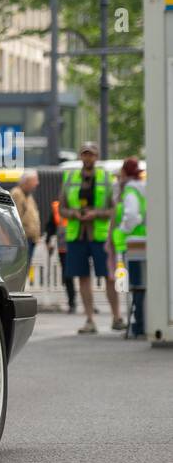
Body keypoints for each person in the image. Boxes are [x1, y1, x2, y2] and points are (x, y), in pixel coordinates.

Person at [61, 141, 124, 334]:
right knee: (83, 278)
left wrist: (96, 213)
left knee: (109, 277)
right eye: (85, 154)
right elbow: (61, 208)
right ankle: (89, 320)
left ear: (96, 157)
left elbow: (115, 209)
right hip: (77, 235)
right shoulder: (70, 177)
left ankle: (117, 317)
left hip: (99, 235)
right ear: (81, 156)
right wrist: (74, 214)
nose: (88, 157)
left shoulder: (106, 178)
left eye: (91, 154)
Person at [110, 157, 147, 339]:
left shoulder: (131, 191)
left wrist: (123, 228)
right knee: (141, 284)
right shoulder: (143, 188)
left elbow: (131, 216)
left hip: (132, 244)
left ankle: (139, 325)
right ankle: (141, 323)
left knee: (136, 286)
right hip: (141, 243)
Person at [46, 198, 76, 313]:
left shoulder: (82, 203)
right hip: (64, 248)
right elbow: (50, 226)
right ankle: (71, 302)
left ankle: (88, 303)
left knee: (85, 275)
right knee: (67, 275)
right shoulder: (57, 207)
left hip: (80, 243)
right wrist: (49, 240)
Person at [10, 169, 41, 270]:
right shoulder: (17, 194)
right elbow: (15, 218)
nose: (37, 184)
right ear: (26, 182)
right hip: (23, 240)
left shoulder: (28, 196)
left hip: (30, 239)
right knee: (21, 269)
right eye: (34, 181)